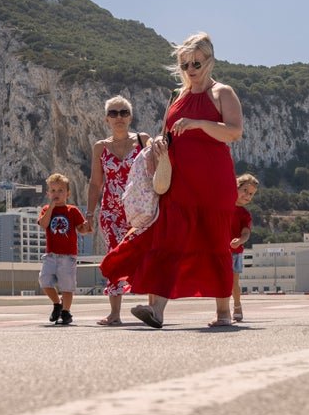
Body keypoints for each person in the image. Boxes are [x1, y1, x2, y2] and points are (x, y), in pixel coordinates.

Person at [102, 32, 243, 329]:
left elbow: (234, 132)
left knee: (215, 240)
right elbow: (170, 135)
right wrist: (159, 145)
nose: (190, 70)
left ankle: (223, 313)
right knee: (169, 239)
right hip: (178, 180)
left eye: (196, 63)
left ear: (209, 60)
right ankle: (157, 311)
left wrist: (199, 123)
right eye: (185, 65)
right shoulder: (178, 97)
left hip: (213, 181)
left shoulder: (222, 92)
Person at [86, 96, 150, 326]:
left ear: (130, 117)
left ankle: (153, 308)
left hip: (141, 212)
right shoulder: (100, 148)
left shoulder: (143, 141)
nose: (119, 117)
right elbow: (95, 183)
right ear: (106, 119)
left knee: (147, 255)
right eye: (113, 113)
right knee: (114, 256)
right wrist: (90, 214)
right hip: (111, 213)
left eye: (123, 112)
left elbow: (156, 172)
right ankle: (114, 313)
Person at [38, 173, 92, 325]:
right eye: (53, 191)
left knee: (67, 286)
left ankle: (66, 311)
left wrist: (86, 228)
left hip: (68, 256)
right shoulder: (46, 209)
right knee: (44, 280)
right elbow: (43, 224)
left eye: (60, 190)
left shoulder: (72, 210)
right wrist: (51, 208)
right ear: (48, 193)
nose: (56, 194)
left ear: (67, 193)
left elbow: (81, 229)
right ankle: (57, 303)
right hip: (51, 255)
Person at [220, 174, 256, 321]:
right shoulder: (222, 206)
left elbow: (246, 233)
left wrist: (240, 240)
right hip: (220, 251)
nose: (247, 195)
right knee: (221, 281)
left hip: (235, 253)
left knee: (234, 282)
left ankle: (237, 305)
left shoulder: (245, 214)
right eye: (245, 190)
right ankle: (222, 308)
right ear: (235, 187)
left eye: (251, 194)